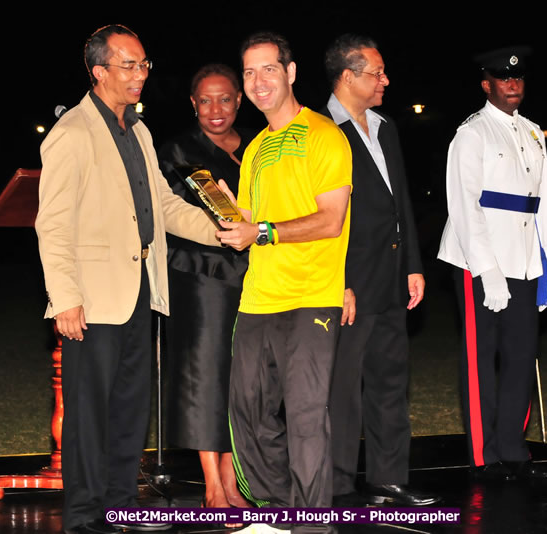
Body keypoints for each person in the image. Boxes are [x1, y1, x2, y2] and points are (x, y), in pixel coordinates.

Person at [35, 25, 218, 534]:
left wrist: (220, 229)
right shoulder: (72, 133)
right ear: (99, 72)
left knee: (130, 408)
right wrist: (65, 298)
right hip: (92, 300)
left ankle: (119, 505)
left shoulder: (137, 130)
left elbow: (161, 205)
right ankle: (84, 516)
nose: (140, 75)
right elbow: (51, 223)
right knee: (90, 414)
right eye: (129, 66)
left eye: (144, 65)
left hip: (139, 290)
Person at [216, 32, 352, 533]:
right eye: (249, 73)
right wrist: (229, 215)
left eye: (268, 69)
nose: (258, 81)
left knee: (304, 416)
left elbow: (331, 219)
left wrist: (264, 231)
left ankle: (313, 524)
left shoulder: (324, 135)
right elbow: (249, 222)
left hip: (311, 297)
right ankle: (276, 515)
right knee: (247, 412)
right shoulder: (253, 149)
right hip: (258, 298)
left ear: (291, 73)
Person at [321, 34, 439, 506]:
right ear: (349, 77)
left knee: (391, 381)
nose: (385, 80)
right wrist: (339, 281)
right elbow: (323, 215)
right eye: (377, 72)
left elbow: (400, 200)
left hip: (391, 277)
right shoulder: (321, 131)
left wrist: (413, 263)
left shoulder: (386, 126)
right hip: (349, 282)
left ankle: (389, 478)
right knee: (342, 388)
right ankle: (337, 482)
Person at [437, 46, 547, 481]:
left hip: (524, 262)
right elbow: (465, 206)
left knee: (523, 355)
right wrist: (487, 271)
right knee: (481, 359)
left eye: (519, 79)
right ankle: (483, 456)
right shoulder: (472, 133)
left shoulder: (531, 133)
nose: (512, 85)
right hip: (476, 261)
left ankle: (513, 449)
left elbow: (539, 207)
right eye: (504, 79)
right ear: (486, 83)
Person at [158, 63, 254, 511]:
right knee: (206, 377)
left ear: (239, 100)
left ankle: (235, 480)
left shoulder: (258, 145)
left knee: (242, 380)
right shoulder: (178, 150)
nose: (215, 109)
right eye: (205, 100)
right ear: (192, 103)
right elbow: (190, 215)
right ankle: (213, 487)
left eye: (225, 99)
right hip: (202, 277)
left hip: (255, 276)